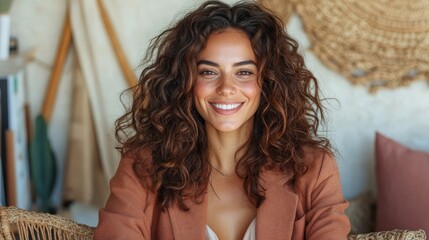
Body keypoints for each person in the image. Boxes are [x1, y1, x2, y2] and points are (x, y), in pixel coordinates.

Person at [94, 0, 351, 239]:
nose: (226, 87)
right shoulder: (143, 167)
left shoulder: (314, 169)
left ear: (268, 82)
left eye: (243, 72)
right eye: (208, 72)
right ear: (185, 82)